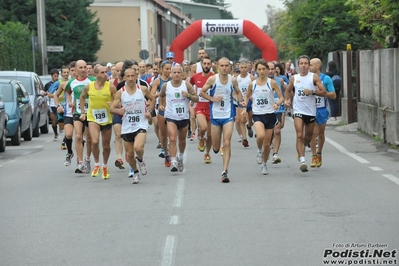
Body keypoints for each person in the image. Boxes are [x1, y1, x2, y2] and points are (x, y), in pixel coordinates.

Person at [200, 57, 243, 183]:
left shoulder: (233, 80)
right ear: (218, 66)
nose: (224, 68)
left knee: (227, 142)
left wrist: (240, 102)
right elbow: (202, 92)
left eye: (226, 66)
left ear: (229, 67)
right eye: (222, 66)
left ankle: (224, 172)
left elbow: (238, 93)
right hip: (215, 115)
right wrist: (212, 99)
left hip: (228, 115)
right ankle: (214, 148)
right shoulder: (213, 79)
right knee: (216, 147)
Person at [111, 68, 155, 183]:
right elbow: (112, 108)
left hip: (141, 123)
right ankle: (135, 172)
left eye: (132, 76)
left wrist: (149, 111)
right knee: (130, 155)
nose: (130, 79)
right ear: (124, 78)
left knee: (138, 147)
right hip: (127, 126)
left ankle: (140, 159)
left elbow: (152, 98)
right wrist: (117, 111)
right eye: (128, 76)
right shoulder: (121, 92)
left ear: (136, 76)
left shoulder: (143, 89)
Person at [284, 55, 327, 172]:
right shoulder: (294, 78)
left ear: (308, 65)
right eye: (301, 63)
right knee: (299, 135)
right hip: (298, 110)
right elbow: (288, 90)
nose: (303, 65)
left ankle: (301, 148)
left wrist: (312, 91)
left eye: (305, 63)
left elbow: (323, 91)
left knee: (308, 136)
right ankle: (302, 159)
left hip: (311, 111)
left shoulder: (314, 77)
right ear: (298, 66)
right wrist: (287, 100)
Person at [242, 60, 284, 175]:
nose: (261, 71)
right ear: (256, 70)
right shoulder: (252, 84)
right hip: (258, 114)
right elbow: (247, 96)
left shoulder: (272, 83)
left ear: (267, 70)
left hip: (270, 114)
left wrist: (277, 104)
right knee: (260, 136)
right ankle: (259, 151)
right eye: (259, 69)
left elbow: (281, 97)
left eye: (263, 69)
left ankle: (264, 164)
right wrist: (245, 105)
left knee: (267, 143)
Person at [159, 65, 198, 172]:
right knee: (172, 138)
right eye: (174, 72)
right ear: (171, 74)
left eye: (178, 72)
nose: (176, 74)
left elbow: (196, 98)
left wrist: (188, 96)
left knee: (181, 140)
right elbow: (161, 96)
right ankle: (174, 161)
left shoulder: (186, 84)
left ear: (181, 74)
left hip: (184, 117)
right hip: (171, 116)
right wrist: (161, 105)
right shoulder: (166, 86)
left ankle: (180, 156)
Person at [80, 65, 116, 179]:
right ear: (95, 75)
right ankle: (96, 164)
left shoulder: (111, 87)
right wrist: (82, 112)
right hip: (93, 117)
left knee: (106, 145)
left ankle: (105, 165)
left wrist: (113, 105)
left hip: (107, 118)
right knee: (94, 142)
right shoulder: (88, 87)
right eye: (102, 72)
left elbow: (117, 100)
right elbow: (82, 97)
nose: (105, 74)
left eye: (106, 72)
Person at [65, 60, 96, 174]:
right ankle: (80, 162)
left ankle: (87, 159)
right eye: (81, 68)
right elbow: (68, 91)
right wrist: (70, 101)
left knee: (89, 138)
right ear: (76, 69)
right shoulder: (71, 82)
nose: (84, 70)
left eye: (85, 67)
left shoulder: (93, 80)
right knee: (78, 136)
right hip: (77, 112)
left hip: (91, 113)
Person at [309, 58, 336, 167]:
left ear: (317, 66)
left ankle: (319, 153)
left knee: (320, 134)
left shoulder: (326, 79)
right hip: (310, 109)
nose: (308, 67)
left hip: (322, 109)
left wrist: (317, 93)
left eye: (310, 65)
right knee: (311, 133)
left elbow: (333, 95)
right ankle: (314, 156)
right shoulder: (306, 79)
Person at [189, 56, 215, 163]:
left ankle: (207, 154)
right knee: (203, 127)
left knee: (210, 134)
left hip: (212, 108)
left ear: (211, 65)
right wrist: (191, 97)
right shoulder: (195, 77)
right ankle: (201, 138)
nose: (206, 66)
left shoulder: (214, 77)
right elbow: (189, 86)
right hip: (199, 106)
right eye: (204, 63)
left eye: (208, 64)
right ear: (201, 64)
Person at [151, 61, 172, 166]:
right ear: (161, 69)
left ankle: (170, 152)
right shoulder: (158, 81)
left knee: (171, 132)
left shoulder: (173, 80)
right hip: (161, 108)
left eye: (169, 69)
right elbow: (151, 95)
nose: (168, 71)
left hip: (172, 109)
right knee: (163, 132)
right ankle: (165, 149)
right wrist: (160, 93)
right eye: (166, 69)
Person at [267, 61, 287, 164]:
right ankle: (268, 145)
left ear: (275, 70)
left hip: (278, 108)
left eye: (272, 69)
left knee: (277, 130)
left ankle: (275, 154)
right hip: (265, 109)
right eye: (268, 69)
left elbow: (287, 90)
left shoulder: (280, 81)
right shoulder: (258, 82)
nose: (270, 71)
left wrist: (288, 100)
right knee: (268, 133)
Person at [236, 61, 256, 147]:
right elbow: (234, 92)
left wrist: (253, 96)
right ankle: (244, 138)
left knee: (250, 120)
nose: (243, 69)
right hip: (241, 101)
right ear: (239, 69)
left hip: (250, 101)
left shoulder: (251, 78)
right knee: (242, 119)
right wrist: (237, 98)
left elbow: (256, 88)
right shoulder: (236, 79)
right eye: (242, 68)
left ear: (248, 68)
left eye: (245, 67)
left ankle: (249, 126)